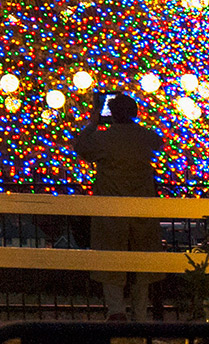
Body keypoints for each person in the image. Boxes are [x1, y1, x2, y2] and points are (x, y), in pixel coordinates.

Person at [74, 92, 164, 321]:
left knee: (110, 261)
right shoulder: (145, 137)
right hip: (142, 208)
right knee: (142, 264)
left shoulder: (105, 139)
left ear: (111, 114)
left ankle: (116, 311)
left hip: (111, 209)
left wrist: (92, 123)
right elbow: (158, 143)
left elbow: (81, 146)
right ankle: (141, 315)